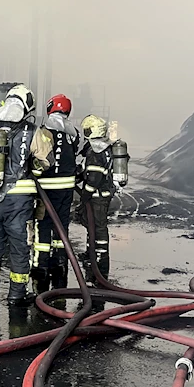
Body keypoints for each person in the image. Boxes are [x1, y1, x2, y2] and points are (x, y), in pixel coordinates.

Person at [0, 84, 55, 307]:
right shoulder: (31, 130)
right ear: (27, 104)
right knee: (19, 248)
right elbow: (47, 160)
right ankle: (16, 295)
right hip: (19, 203)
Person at [31, 94, 80, 293]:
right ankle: (60, 261)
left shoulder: (43, 129)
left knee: (43, 224)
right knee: (62, 224)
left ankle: (41, 265)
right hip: (66, 188)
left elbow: (39, 156)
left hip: (46, 188)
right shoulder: (73, 132)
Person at [77, 114, 114, 283]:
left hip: (97, 197)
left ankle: (101, 259)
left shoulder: (95, 152)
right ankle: (91, 252)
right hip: (102, 195)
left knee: (98, 227)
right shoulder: (104, 147)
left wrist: (85, 194)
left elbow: (94, 178)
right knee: (91, 224)